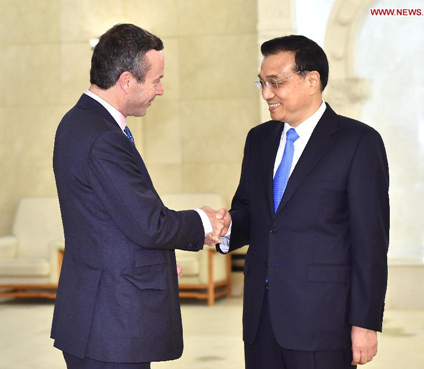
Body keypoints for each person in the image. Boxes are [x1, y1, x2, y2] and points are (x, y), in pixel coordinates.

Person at [51, 24, 227, 369]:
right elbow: (148, 224)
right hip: (109, 325)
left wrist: (158, 264)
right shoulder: (102, 137)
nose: (160, 90)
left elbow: (108, 220)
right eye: (156, 80)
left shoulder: (78, 122)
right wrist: (205, 220)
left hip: (95, 314)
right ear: (128, 81)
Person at [215, 35, 389, 369]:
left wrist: (365, 322)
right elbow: (252, 211)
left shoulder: (358, 142)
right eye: (262, 83)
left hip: (323, 322)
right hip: (260, 319)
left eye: (275, 82)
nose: (266, 93)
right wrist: (226, 227)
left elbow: (370, 242)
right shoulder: (259, 139)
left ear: (312, 81)